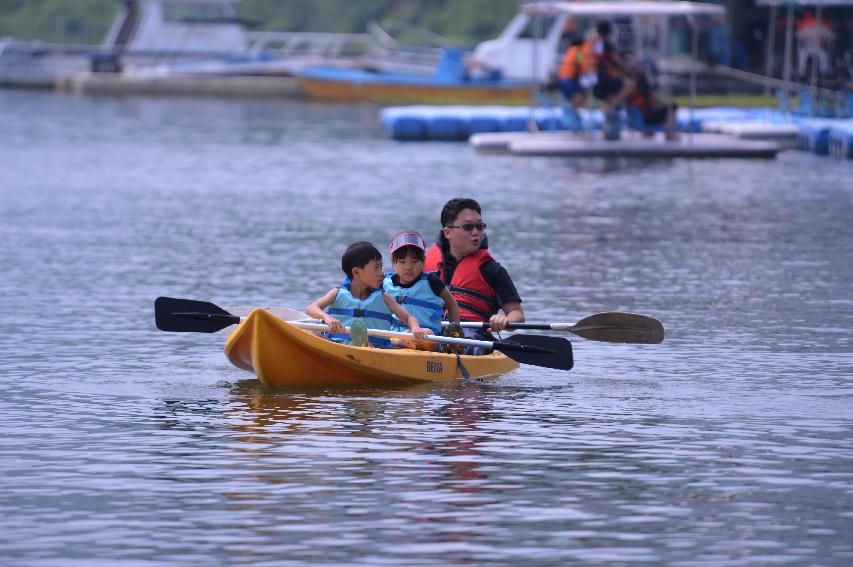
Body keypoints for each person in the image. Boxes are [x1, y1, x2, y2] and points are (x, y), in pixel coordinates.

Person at [424, 198, 524, 350]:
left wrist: (503, 321)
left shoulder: (492, 270)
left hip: (472, 337)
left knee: (464, 339)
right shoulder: (423, 263)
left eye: (479, 226)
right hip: (429, 331)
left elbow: (517, 314)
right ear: (447, 232)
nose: (476, 232)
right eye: (468, 227)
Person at [306, 241, 428, 348]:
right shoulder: (336, 293)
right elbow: (312, 308)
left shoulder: (384, 298)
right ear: (356, 272)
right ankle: (358, 345)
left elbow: (409, 318)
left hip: (374, 349)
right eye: (376, 268)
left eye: (381, 267)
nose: (382, 273)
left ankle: (364, 346)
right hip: (336, 346)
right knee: (313, 332)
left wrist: (415, 328)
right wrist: (327, 318)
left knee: (368, 346)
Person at [383, 231, 461, 350]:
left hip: (429, 337)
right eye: (402, 262)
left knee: (427, 333)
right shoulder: (386, 283)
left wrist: (454, 330)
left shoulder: (432, 281)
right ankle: (400, 342)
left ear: (423, 261)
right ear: (394, 263)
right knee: (388, 335)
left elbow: (452, 304)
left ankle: (404, 342)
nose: (408, 267)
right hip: (396, 334)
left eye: (414, 261)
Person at [590, 21, 636, 115]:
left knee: (611, 96)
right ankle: (609, 107)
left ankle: (607, 123)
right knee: (630, 84)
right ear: (609, 33)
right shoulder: (606, 44)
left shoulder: (592, 43)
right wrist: (630, 70)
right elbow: (619, 61)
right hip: (603, 78)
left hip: (593, 79)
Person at [626, 59, 679, 141]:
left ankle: (666, 132)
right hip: (645, 116)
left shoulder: (629, 84)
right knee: (672, 107)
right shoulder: (640, 85)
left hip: (638, 115)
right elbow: (652, 101)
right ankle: (670, 134)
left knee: (667, 107)